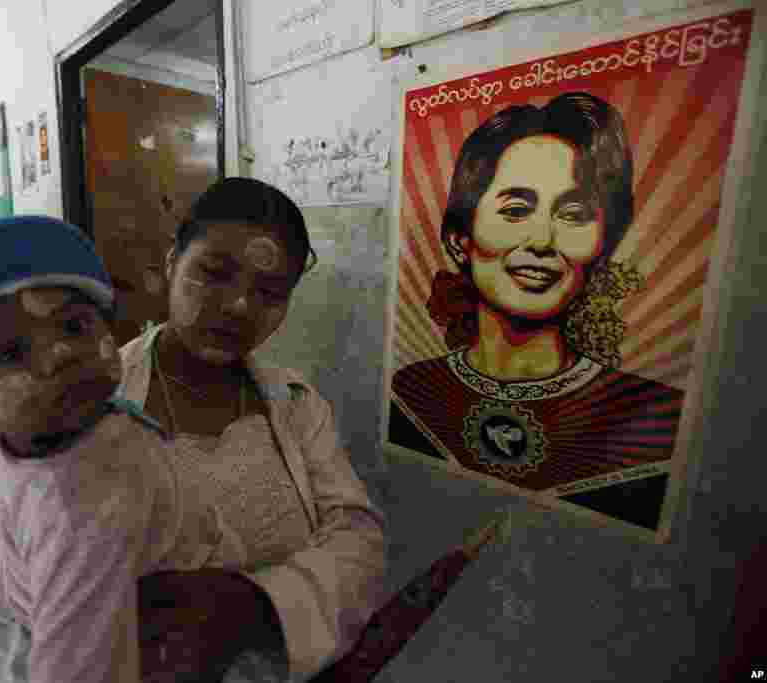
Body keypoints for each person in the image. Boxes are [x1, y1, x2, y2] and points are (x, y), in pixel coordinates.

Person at [0, 215, 246, 683]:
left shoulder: (4, 442)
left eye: (75, 327)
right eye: (12, 355)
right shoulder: (82, 515)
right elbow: (78, 667)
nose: (61, 354)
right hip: (129, 619)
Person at [118, 177, 389, 682]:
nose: (241, 306)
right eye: (215, 273)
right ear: (172, 261)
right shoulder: (92, 408)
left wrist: (255, 602)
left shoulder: (297, 407)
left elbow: (360, 540)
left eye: (269, 292)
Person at [388, 92, 685, 531]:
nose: (543, 241)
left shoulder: (658, 417)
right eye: (515, 210)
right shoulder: (411, 393)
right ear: (459, 240)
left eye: (574, 214)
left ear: (602, 247)